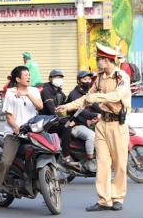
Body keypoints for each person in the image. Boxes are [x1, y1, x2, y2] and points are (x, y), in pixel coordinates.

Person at [56, 43, 131, 212]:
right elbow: (87, 98)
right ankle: (104, 200)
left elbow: (117, 95)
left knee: (119, 163)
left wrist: (97, 96)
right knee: (102, 163)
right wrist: (67, 107)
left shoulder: (122, 77)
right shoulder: (100, 78)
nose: (97, 62)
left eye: (99, 59)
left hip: (118, 124)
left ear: (107, 60)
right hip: (102, 124)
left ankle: (117, 197)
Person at [0, 65, 43, 213]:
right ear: (18, 79)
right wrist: (17, 127)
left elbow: (40, 106)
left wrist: (26, 94)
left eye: (29, 75)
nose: (29, 77)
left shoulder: (34, 91)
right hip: (14, 134)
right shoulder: (10, 93)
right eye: (25, 75)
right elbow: (8, 116)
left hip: (32, 133)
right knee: (5, 162)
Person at [40, 69, 78, 168]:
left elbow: (68, 104)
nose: (58, 79)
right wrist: (67, 121)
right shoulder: (46, 91)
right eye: (56, 77)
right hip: (47, 123)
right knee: (66, 129)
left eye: (60, 77)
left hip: (56, 121)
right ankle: (66, 156)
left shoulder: (59, 92)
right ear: (50, 79)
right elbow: (53, 110)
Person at [66, 70, 102, 171]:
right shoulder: (74, 94)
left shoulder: (87, 93)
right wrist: (94, 115)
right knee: (92, 136)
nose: (88, 81)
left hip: (85, 123)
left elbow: (95, 105)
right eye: (85, 79)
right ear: (78, 81)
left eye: (89, 79)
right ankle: (90, 161)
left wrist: (106, 111)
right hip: (76, 125)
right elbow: (81, 111)